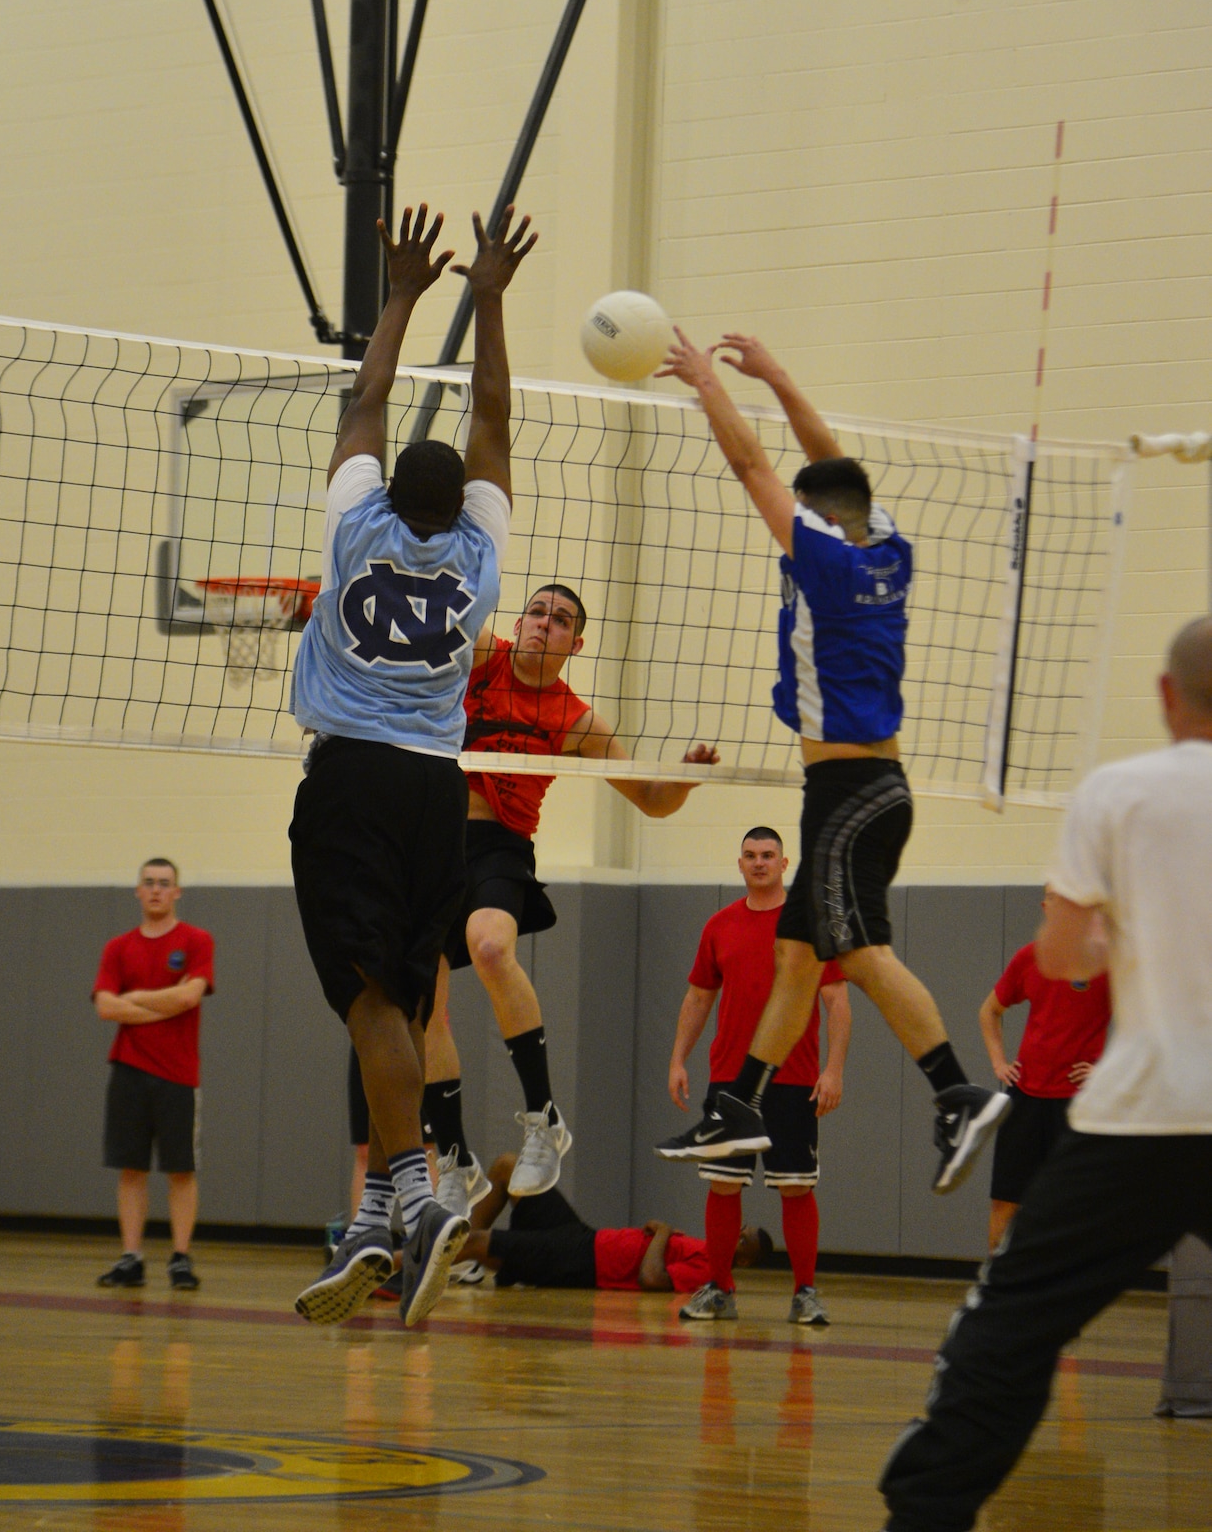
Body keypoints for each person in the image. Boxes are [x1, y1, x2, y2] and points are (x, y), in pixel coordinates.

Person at [879, 616, 1212, 1532]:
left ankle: (922, 1516)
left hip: (1137, 1122)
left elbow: (1062, 957)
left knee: (1009, 1328)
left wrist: (1118, 931)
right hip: (1140, 1114)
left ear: (1163, 695)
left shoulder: (1116, 792)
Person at [657, 330, 1006, 1193]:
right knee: (797, 958)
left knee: (857, 954)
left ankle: (956, 1091)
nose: (799, 512)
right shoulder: (884, 548)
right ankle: (736, 1105)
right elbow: (833, 467)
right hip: (868, 788)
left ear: (820, 518)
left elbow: (752, 468)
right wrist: (778, 374)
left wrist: (710, 386)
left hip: (849, 794)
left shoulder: (821, 559)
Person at [289, 203, 534, 1331]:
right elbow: (491, 415)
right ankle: (392, 1206)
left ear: (388, 495)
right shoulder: (481, 560)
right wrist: (489, 295)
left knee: (368, 1001)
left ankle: (416, 1197)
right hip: (440, 786)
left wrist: (401, 292)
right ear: (458, 509)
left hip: (350, 780)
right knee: (404, 995)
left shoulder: (353, 525)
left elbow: (364, 402)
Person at [422, 582, 718, 1213]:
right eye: (535, 613)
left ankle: (544, 1118)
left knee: (493, 945)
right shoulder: (483, 659)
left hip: (501, 846)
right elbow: (446, 616)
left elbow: (654, 801)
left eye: (558, 621)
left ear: (574, 644)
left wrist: (687, 779)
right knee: (425, 1006)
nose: (542, 625)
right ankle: (452, 1157)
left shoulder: (577, 721)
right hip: (434, 844)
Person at [658, 825, 851, 1325]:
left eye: (768, 855)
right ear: (739, 864)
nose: (759, 862)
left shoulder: (809, 926)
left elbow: (837, 1002)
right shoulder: (719, 926)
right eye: (750, 855)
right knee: (723, 1185)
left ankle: (805, 1293)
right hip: (730, 1079)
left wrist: (833, 1069)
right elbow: (699, 997)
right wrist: (679, 1058)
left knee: (796, 1187)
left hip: (795, 1077)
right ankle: (719, 1290)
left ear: (785, 864)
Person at [92, 857, 214, 1291]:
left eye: (165, 883)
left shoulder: (197, 941)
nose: (157, 890)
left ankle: (180, 1258)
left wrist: (137, 999)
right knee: (131, 1168)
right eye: (149, 883)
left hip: (179, 1073)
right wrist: (164, 1000)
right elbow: (106, 1006)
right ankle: (131, 1257)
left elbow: (190, 998)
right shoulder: (118, 947)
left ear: (177, 892)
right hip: (128, 1069)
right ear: (138, 891)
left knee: (181, 1169)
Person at [460, 1151, 774, 1296]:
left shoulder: (711, 1272)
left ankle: (412, 1262)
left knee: (477, 1243)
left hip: (579, 1262)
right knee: (508, 1166)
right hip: (583, 1236)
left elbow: (651, 1279)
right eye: (741, 1228)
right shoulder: (706, 1247)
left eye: (742, 1240)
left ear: (743, 1260)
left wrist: (663, 1233)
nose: (735, 1233)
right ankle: (466, 1268)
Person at [978, 932, 1110, 1250]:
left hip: (1076, 1103)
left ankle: (1069, 1292)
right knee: (1006, 1202)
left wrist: (1107, 1072)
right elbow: (989, 1011)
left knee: (1074, 1208)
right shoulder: (1029, 957)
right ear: (1045, 904)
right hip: (1025, 1100)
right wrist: (999, 1063)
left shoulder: (1109, 963)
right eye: (1052, 897)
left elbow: (1145, 1026)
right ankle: (995, 1288)